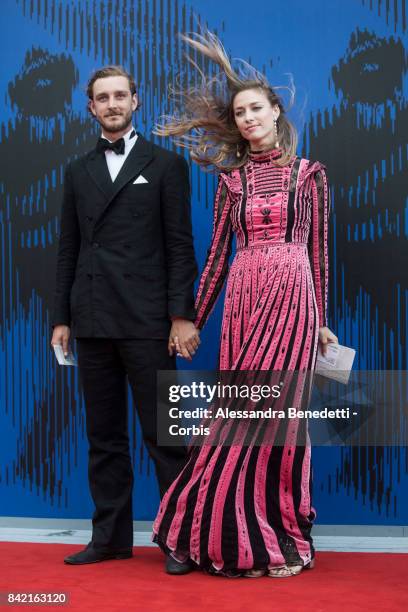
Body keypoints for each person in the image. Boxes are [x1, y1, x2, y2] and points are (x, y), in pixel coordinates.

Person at [152, 32, 338, 577]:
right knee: (234, 415)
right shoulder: (230, 183)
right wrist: (191, 319)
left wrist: (321, 322)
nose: (249, 118)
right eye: (240, 113)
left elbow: (318, 251)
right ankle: (207, 530)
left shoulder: (311, 175)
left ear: (276, 112)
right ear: (234, 125)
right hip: (244, 298)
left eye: (257, 107)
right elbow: (214, 259)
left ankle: (274, 531)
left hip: (295, 300)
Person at [51, 65, 200, 571]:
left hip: (148, 322)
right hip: (91, 319)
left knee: (166, 436)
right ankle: (110, 538)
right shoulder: (76, 171)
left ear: (136, 100)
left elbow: (181, 246)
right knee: (104, 435)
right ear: (90, 107)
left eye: (120, 95)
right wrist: (62, 318)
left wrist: (182, 316)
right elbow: (68, 249)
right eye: (102, 98)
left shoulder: (164, 164)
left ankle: (180, 539)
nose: (112, 104)